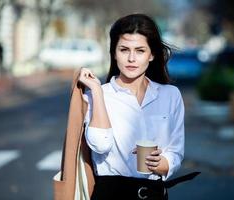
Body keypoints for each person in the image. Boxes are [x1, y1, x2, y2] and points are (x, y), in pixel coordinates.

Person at [78, 13, 184, 200]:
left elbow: (176, 151)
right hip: (110, 194)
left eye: (140, 50)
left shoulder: (171, 95)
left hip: (154, 193)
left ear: (151, 55)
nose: (131, 58)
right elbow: (100, 144)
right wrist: (97, 92)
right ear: (114, 53)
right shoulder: (95, 96)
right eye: (124, 50)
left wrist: (163, 164)